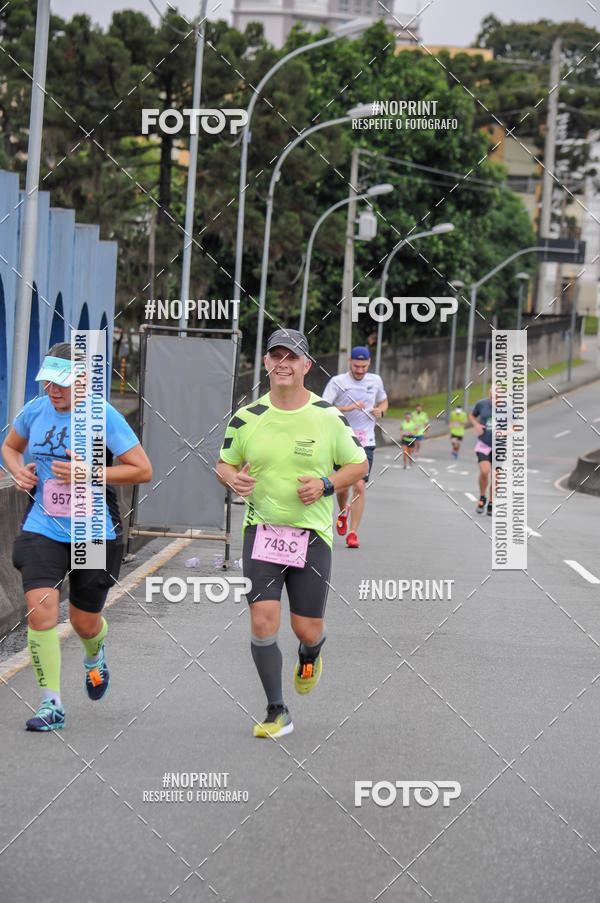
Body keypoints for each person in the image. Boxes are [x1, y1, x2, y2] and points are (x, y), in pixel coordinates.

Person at [216, 329, 368, 738]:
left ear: (306, 365)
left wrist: (325, 484)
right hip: (261, 532)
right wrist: (234, 480)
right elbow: (224, 463)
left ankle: (311, 652)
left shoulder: (327, 416)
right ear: (266, 363)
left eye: (291, 357)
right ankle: (276, 710)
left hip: (311, 536)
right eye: (275, 356)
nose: (282, 363)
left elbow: (358, 466)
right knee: (263, 620)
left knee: (307, 628)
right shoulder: (247, 417)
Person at [2, 343, 152, 731]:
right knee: (41, 611)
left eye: (63, 382)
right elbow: (10, 447)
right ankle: (51, 704)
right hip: (43, 527)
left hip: (93, 530)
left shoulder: (103, 416)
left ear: (83, 381)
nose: (53, 389)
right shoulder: (35, 411)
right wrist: (18, 471)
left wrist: (92, 474)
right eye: (48, 380)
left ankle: (94, 654)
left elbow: (142, 470)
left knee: (85, 623)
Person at [321, 346, 388, 549]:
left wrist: (381, 411)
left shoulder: (375, 380)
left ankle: (353, 532)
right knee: (342, 487)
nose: (360, 370)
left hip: (366, 440)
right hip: (342, 440)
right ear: (350, 361)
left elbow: (384, 401)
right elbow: (323, 406)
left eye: (364, 366)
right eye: (357, 366)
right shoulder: (338, 382)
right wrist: (348, 408)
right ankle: (343, 511)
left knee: (359, 485)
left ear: (369, 363)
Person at [469, 387, 495, 515]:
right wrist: (476, 425)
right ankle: (482, 497)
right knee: (485, 471)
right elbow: (472, 415)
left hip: (500, 446)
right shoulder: (481, 404)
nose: (493, 399)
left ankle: (491, 502)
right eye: (491, 396)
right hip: (483, 444)